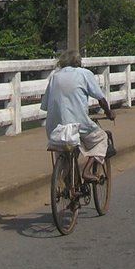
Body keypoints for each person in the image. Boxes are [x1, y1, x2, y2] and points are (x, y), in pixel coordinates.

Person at [41, 50, 115, 182]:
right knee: (102, 138)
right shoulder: (84, 74)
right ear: (78, 62)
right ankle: (86, 171)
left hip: (55, 129)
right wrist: (109, 113)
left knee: (64, 156)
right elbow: (101, 99)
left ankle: (67, 190)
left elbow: (45, 106)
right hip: (79, 125)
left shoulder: (54, 77)